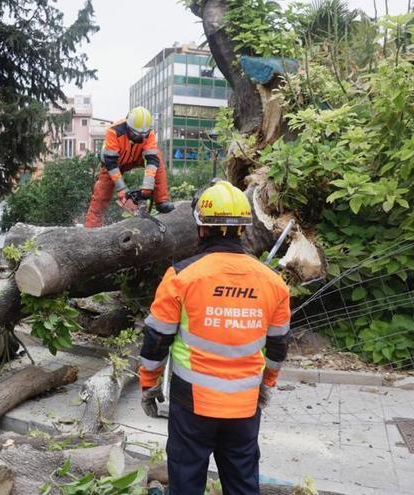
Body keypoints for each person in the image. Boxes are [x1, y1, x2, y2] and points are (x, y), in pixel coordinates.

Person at [138, 180, 290, 495]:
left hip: (191, 404)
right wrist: (267, 385)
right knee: (242, 485)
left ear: (201, 228)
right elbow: (277, 347)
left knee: (186, 485)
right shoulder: (273, 283)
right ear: (244, 229)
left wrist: (149, 385)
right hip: (245, 407)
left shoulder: (181, 277)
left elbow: (156, 340)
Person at [84, 106, 175, 228]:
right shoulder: (113, 131)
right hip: (115, 163)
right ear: (128, 126)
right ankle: (92, 227)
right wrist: (122, 189)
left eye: (143, 135)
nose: (139, 138)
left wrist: (147, 188)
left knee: (157, 158)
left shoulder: (149, 133)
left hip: (137, 157)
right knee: (101, 194)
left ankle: (161, 201)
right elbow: (110, 163)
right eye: (136, 134)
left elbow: (152, 161)